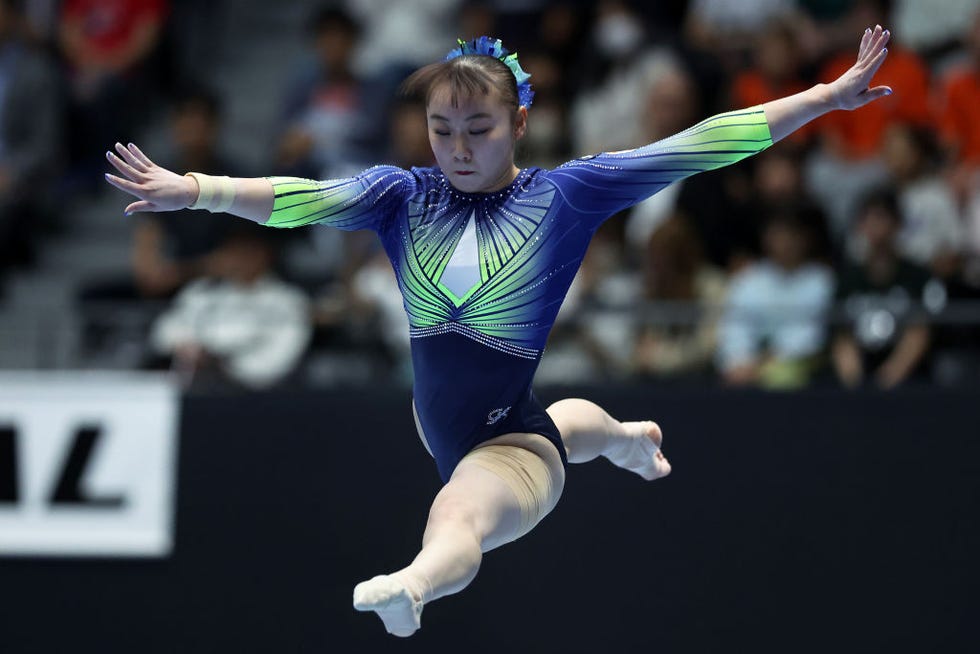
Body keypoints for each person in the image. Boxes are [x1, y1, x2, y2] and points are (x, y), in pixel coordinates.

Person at [104, 28, 895, 637]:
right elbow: (296, 196)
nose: (456, 148)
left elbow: (701, 144)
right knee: (559, 424)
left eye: (477, 129)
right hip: (501, 423)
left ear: (518, 123)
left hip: (502, 452)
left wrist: (824, 97)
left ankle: (414, 587)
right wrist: (196, 189)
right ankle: (622, 437)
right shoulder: (399, 196)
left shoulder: (570, 194)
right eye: (441, 129)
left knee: (459, 512)